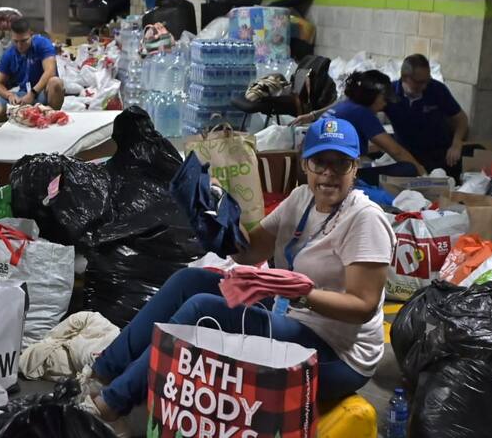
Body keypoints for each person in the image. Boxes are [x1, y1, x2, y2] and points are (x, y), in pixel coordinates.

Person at [80, 118, 395, 434]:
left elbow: (362, 305)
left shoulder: (365, 220)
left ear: (355, 168)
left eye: (340, 164)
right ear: (306, 165)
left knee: (205, 309)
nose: (329, 173)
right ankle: (102, 371)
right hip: (294, 316)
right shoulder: (301, 200)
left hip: (337, 355)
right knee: (187, 281)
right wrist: (217, 212)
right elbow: (249, 252)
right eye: (320, 162)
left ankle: (111, 406)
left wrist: (300, 294)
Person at [297, 70, 427, 186]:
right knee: (408, 169)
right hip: (332, 176)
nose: (384, 104)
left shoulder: (346, 105)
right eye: (384, 99)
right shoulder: (362, 113)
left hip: (310, 172)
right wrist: (422, 172)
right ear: (373, 96)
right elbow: (396, 151)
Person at [387, 54, 470, 176]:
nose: (424, 86)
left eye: (427, 80)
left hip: (440, 151)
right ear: (405, 77)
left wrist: (456, 143)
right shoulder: (390, 93)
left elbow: (461, 118)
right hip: (408, 154)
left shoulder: (437, 89)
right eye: (419, 82)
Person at [0, 18, 64, 123]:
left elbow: (50, 71)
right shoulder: (9, 54)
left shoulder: (42, 44)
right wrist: (10, 95)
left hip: (42, 92)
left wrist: (33, 93)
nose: (19, 45)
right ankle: (24, 117)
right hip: (23, 95)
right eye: (16, 41)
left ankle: (50, 118)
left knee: (56, 82)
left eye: (23, 41)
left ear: (31, 34)